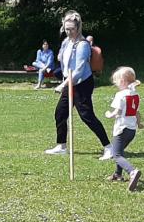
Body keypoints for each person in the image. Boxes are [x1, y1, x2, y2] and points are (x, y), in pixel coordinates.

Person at [45, 11, 110, 156]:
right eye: (66, 29)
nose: (69, 32)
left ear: (78, 28)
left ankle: (108, 147)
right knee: (60, 113)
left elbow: (79, 70)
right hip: (69, 82)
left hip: (82, 83)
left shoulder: (82, 45)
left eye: (72, 29)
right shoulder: (66, 42)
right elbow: (62, 58)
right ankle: (61, 146)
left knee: (87, 116)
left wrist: (63, 85)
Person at [103, 66, 142, 191]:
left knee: (116, 155)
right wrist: (139, 123)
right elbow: (137, 112)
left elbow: (117, 112)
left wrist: (109, 114)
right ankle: (118, 174)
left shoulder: (120, 95)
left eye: (117, 82)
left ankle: (132, 171)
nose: (116, 84)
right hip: (131, 130)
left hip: (121, 128)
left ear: (123, 81)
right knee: (120, 151)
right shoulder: (135, 94)